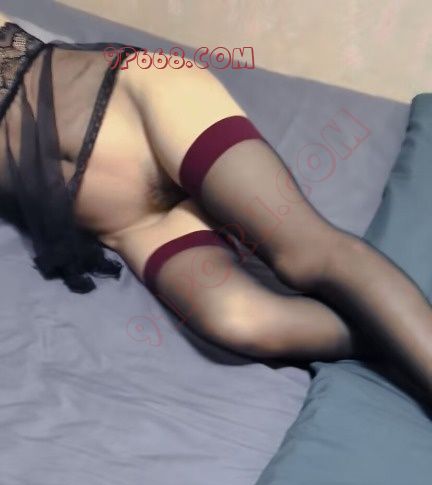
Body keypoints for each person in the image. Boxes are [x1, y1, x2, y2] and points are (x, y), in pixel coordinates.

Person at [1, 16, 432, 399]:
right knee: (241, 321)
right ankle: (400, 330)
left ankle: (405, 328)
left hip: (139, 107)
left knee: (304, 255)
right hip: (128, 220)